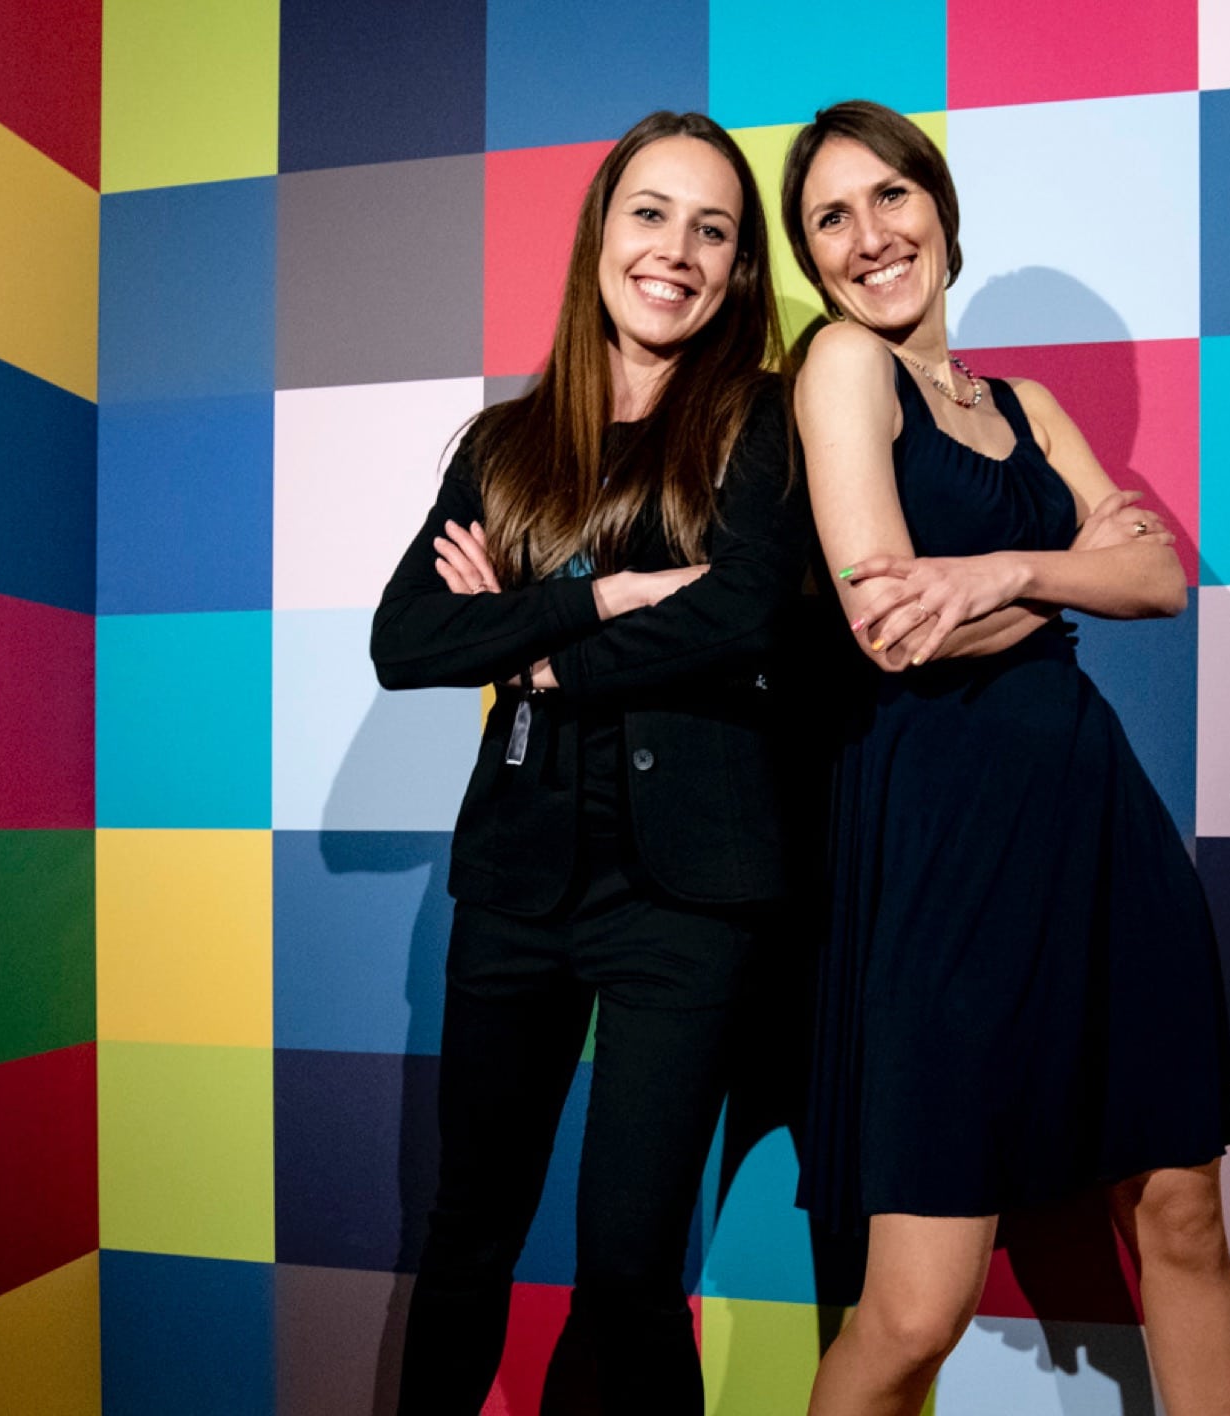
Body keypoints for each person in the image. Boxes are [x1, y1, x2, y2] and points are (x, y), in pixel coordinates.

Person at [781, 101, 1230, 1414]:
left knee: (1182, 1216)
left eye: (891, 196)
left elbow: (1157, 576)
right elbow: (886, 624)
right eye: (832, 217)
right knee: (917, 1307)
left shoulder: (1027, 402)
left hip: (1095, 827)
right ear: (812, 260)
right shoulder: (840, 368)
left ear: (940, 206)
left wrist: (1001, 569)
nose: (872, 235)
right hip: (941, 845)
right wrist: (1073, 578)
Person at [368, 110, 808, 1413]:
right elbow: (408, 640)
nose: (676, 249)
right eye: (651, 213)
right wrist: (598, 600)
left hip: (687, 901)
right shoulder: (506, 448)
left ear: (736, 272)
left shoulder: (767, 423)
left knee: (627, 1270)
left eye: (713, 230)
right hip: (514, 885)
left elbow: (747, 611)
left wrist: (536, 648)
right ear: (602, 234)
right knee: (466, 1237)